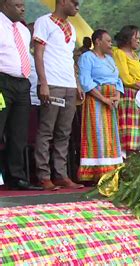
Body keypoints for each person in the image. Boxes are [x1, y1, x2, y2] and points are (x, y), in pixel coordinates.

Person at [34, 0, 84, 190]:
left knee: (64, 132)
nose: (77, 7)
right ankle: (44, 175)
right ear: (62, 1)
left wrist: (77, 83)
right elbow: (38, 53)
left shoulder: (71, 26)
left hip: (69, 85)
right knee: (47, 130)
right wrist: (43, 83)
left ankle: (61, 175)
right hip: (52, 83)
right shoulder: (43, 21)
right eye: (74, 2)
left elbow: (69, 58)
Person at [0, 0, 43, 190]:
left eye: (23, 4)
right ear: (4, 5)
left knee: (19, 133)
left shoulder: (24, 31)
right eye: (17, 5)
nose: (23, 8)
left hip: (22, 83)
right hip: (2, 81)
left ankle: (16, 177)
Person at [77, 29, 123, 181]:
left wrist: (117, 94)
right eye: (108, 41)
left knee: (111, 136)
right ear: (98, 41)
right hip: (95, 100)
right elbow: (85, 81)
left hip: (111, 101)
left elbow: (118, 79)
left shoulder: (110, 59)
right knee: (97, 134)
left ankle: (112, 171)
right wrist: (103, 98)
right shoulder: (87, 57)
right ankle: (95, 172)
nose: (111, 44)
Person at [112, 25, 140, 156]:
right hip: (129, 94)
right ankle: (126, 160)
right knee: (130, 130)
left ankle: (137, 161)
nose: (139, 41)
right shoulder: (119, 53)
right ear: (128, 38)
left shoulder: (135, 56)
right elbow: (124, 77)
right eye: (137, 38)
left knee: (139, 131)